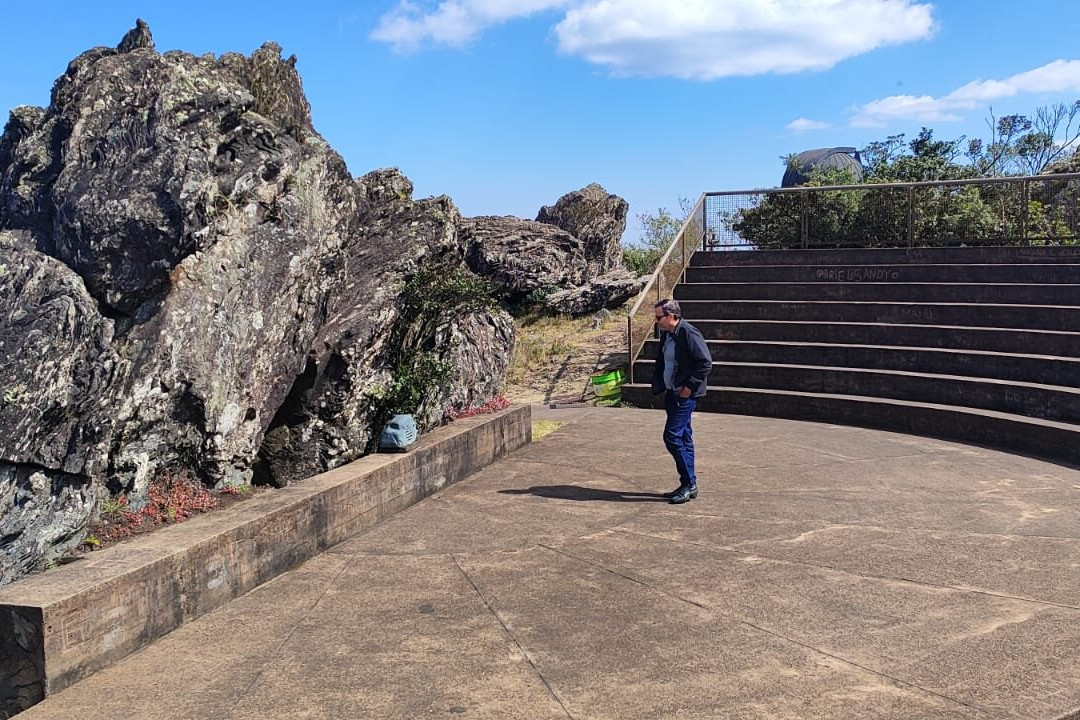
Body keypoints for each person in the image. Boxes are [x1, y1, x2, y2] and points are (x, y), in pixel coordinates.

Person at [651, 299, 713, 504]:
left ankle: (689, 483)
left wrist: (688, 388)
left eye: (659, 317)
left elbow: (705, 363)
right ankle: (689, 483)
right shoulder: (668, 334)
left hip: (684, 396)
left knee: (672, 436)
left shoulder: (689, 333)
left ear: (671, 316)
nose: (656, 321)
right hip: (672, 393)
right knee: (684, 437)